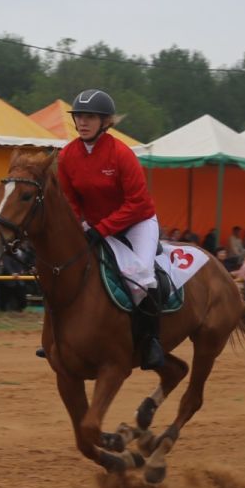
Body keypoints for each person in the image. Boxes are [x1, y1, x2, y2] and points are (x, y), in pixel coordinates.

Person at [56, 88, 164, 367]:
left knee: (142, 278)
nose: (82, 122)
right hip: (95, 225)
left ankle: (151, 341)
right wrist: (79, 224)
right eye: (79, 116)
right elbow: (71, 199)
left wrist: (100, 229)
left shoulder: (121, 154)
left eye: (90, 117)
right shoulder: (67, 155)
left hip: (137, 223)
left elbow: (137, 203)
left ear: (106, 122)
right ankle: (61, 339)